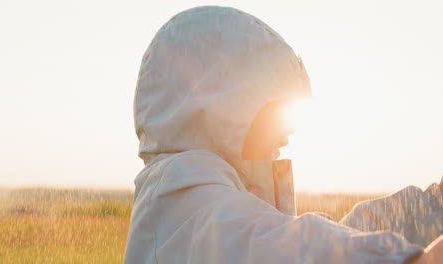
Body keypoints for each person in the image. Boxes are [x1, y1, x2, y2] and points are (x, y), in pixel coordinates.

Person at [124, 6, 442, 264]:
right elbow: (282, 249)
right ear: (223, 108)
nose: (288, 132)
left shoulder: (209, 202)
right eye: (276, 110)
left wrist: (433, 202)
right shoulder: (184, 205)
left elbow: (325, 234)